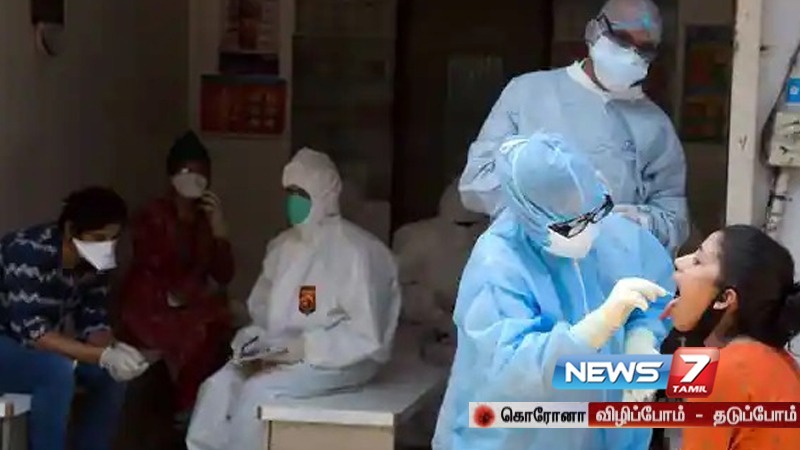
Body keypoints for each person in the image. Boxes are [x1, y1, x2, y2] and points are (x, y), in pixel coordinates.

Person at [433, 133, 675, 450]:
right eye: (571, 225)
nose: (589, 227)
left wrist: (641, 338)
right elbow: (509, 369)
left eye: (596, 211)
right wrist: (593, 330)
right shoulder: (498, 264)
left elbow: (654, 286)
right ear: (533, 217)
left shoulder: (614, 234)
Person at [186, 148, 402, 450]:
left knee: (257, 394)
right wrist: (253, 347)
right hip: (279, 354)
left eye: (302, 193)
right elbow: (262, 312)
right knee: (218, 387)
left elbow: (366, 336)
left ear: (325, 192)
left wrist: (302, 348)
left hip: (340, 360)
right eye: (289, 192)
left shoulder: (358, 252)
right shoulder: (282, 247)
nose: (293, 202)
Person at [459, 0, 688, 255]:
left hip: (609, 267)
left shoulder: (655, 127)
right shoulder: (527, 93)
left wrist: (634, 223)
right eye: (622, 38)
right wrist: (549, 209)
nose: (631, 53)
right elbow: (476, 183)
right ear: (594, 31)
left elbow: (674, 219)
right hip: (525, 261)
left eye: (644, 48)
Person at [0, 187, 150, 450]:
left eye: (112, 239)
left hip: (35, 349)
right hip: (9, 341)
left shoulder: (95, 264)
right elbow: (34, 334)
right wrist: (102, 356)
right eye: (98, 238)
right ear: (70, 229)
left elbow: (94, 323)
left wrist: (116, 350)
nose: (106, 246)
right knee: (56, 371)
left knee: (110, 377)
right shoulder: (27, 250)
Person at [119, 131, 235, 426]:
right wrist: (194, 293)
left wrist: (220, 233)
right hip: (150, 308)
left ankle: (193, 405)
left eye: (201, 173)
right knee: (205, 324)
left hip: (187, 305)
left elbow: (223, 274)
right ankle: (185, 405)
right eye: (186, 172)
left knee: (223, 321)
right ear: (172, 176)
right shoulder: (153, 216)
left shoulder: (204, 219)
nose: (194, 179)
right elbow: (161, 274)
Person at [662, 225, 800, 449]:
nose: (679, 261)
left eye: (698, 261)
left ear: (724, 299)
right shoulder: (777, 361)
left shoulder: (721, 371)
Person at [393, 179, 487, 447]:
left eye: (475, 225)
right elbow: (388, 288)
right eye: (460, 225)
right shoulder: (419, 241)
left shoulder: (496, 248)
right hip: (421, 340)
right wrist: (429, 309)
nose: (466, 234)